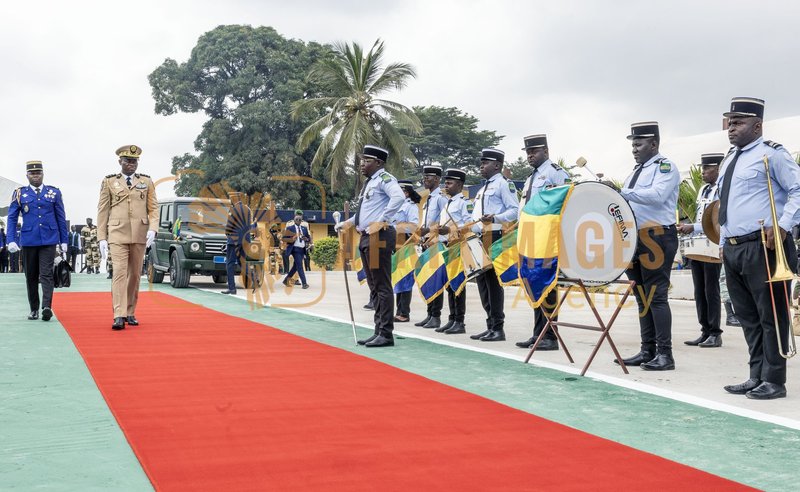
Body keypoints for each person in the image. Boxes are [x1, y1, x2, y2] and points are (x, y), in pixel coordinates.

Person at [718, 97, 800, 400]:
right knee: (748, 316)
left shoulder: (772, 155)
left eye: (738, 123)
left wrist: (783, 225)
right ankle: (756, 375)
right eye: (730, 122)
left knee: (772, 315)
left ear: (757, 125)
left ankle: (775, 380)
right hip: (736, 248)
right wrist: (724, 243)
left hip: (764, 245)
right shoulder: (729, 159)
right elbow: (727, 205)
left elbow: (797, 190)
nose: (731, 128)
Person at [616, 122, 680, 371]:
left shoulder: (665, 167)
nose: (634, 149)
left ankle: (666, 354)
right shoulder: (635, 171)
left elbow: (658, 196)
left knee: (657, 297)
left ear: (654, 144)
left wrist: (623, 193)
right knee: (642, 296)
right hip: (635, 237)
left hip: (658, 236)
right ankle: (647, 350)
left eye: (639, 144)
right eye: (632, 144)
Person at [335, 144, 404, 347]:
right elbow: (365, 214)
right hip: (367, 237)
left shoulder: (384, 179)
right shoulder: (370, 183)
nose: (362, 164)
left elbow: (398, 198)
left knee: (382, 285)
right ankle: (378, 330)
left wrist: (381, 220)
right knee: (373, 286)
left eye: (367, 161)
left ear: (379, 163)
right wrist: (347, 223)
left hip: (379, 236)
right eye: (361, 161)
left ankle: (386, 333)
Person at [514, 134, 570, 350]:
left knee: (548, 284)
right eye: (527, 152)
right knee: (535, 282)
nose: (530, 156)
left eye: (534, 151)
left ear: (545, 151)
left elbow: (565, 201)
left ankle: (550, 336)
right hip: (530, 237)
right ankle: (538, 333)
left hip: (547, 238)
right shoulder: (530, 178)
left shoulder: (555, 173)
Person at [97, 145, 158, 330]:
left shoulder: (146, 182)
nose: (131, 164)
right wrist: (101, 237)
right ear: (120, 162)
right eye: (127, 161)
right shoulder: (109, 182)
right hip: (117, 234)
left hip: (140, 233)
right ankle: (119, 314)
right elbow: (103, 210)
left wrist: (153, 229)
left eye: (134, 161)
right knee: (119, 273)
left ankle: (130, 312)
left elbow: (153, 208)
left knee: (134, 276)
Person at [5, 160, 68, 321]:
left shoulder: (54, 193)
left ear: (43, 174)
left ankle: (47, 307)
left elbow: (61, 217)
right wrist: (11, 239)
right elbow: (12, 218)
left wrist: (64, 240)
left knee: (46, 274)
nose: (35, 176)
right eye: (32, 173)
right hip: (28, 240)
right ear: (27, 175)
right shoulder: (20, 193)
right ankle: (34, 309)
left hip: (49, 239)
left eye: (38, 173)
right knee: (31, 276)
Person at [469, 148, 520, 342]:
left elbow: (514, 210)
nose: (481, 166)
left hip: (494, 236)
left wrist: (496, 217)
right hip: (479, 238)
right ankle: (490, 325)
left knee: (493, 283)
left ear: (497, 165)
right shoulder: (483, 189)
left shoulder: (504, 185)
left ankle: (498, 328)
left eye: (486, 163)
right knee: (482, 283)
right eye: (481, 163)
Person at [679, 153, 724, 348]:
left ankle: (715, 332)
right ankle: (705, 330)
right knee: (699, 290)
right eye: (702, 168)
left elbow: (717, 219)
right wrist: (690, 227)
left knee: (711, 289)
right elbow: (700, 216)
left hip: (713, 243)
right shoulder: (704, 190)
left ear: (718, 169)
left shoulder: (722, 190)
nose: (703, 172)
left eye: (707, 168)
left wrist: (693, 227)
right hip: (698, 244)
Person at [434, 168, 472, 334]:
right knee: (450, 285)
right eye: (445, 182)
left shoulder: (465, 203)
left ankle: (460, 321)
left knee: (458, 284)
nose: (446, 185)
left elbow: (471, 225)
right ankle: (452, 318)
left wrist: (449, 231)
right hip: (447, 247)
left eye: (449, 183)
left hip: (459, 246)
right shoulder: (448, 203)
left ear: (460, 184)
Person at [414, 165, 449, 329]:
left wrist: (431, 233)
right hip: (427, 242)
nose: (425, 179)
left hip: (437, 242)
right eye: (424, 176)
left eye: (428, 177)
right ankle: (429, 314)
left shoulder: (441, 198)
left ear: (437, 179)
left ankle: (436, 315)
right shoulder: (428, 199)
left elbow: (445, 222)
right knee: (428, 277)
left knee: (435, 279)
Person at [393, 180, 421, 322]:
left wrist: (396, 227)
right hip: (395, 244)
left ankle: (404, 313)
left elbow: (413, 226)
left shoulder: (411, 206)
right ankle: (399, 311)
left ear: (406, 192)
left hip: (406, 243)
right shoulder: (394, 205)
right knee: (398, 278)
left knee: (405, 279)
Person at [221, 193, 253, 295]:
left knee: (230, 264)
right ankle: (254, 278)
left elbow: (230, 225)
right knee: (242, 262)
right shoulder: (247, 209)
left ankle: (232, 288)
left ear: (234, 200)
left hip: (234, 240)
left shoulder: (233, 209)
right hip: (245, 240)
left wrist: (227, 233)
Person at [282, 210, 311, 289]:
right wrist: (292, 238)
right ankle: (304, 283)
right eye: (296, 219)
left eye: (300, 220)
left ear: (301, 221)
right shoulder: (290, 228)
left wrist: (306, 239)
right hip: (295, 249)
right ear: (294, 220)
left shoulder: (304, 228)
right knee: (300, 266)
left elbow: (308, 238)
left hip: (302, 249)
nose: (298, 221)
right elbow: (284, 239)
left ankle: (286, 280)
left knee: (296, 266)